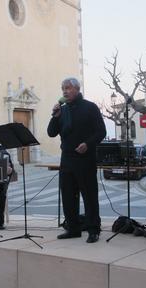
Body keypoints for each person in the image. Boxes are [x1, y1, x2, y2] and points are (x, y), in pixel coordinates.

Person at [47, 77, 106, 243]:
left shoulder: (90, 107)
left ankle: (93, 229)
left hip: (85, 159)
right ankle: (73, 228)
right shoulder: (62, 110)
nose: (64, 91)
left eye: (68, 88)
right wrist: (55, 115)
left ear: (77, 89)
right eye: (63, 88)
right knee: (67, 195)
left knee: (89, 195)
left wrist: (88, 144)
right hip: (67, 159)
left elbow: (101, 132)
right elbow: (51, 132)